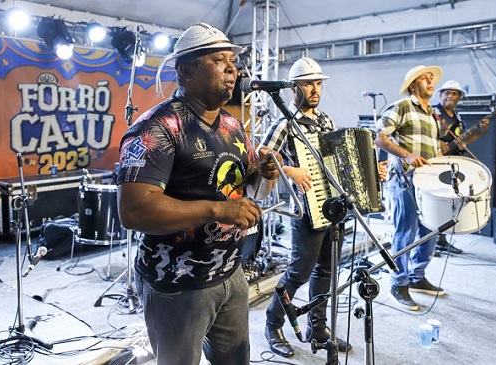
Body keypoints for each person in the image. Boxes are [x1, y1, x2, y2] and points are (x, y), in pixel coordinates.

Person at [116, 22, 282, 365]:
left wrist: (265, 174)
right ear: (186, 72)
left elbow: (249, 188)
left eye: (232, 61)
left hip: (230, 274)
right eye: (219, 60)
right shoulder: (156, 128)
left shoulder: (232, 125)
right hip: (176, 285)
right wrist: (218, 211)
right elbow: (134, 211)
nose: (232, 68)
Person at [259, 57, 358, 358]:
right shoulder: (284, 122)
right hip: (305, 209)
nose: (315, 89)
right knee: (299, 271)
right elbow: (262, 155)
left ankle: (319, 327)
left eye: (318, 83)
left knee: (327, 270)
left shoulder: (326, 121)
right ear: (294, 88)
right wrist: (290, 170)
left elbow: (335, 158)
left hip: (331, 207)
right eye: (307, 83)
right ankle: (273, 323)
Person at [375, 65, 445, 311]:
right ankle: (398, 282)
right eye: (424, 78)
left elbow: (433, 148)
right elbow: (380, 136)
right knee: (405, 232)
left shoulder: (433, 115)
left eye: (431, 78)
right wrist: (405, 154)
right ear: (413, 85)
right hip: (404, 179)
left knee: (431, 229)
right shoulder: (402, 106)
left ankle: (416, 276)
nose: (430, 81)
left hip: (429, 182)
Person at [433, 79, 490, 254]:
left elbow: (461, 141)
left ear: (459, 98)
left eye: (454, 93)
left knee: (448, 201)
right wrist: (437, 142)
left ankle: (441, 240)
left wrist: (480, 131)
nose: (450, 96)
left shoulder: (457, 117)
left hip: (452, 163)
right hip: (435, 162)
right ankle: (427, 242)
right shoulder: (432, 112)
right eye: (447, 93)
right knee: (434, 201)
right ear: (441, 95)